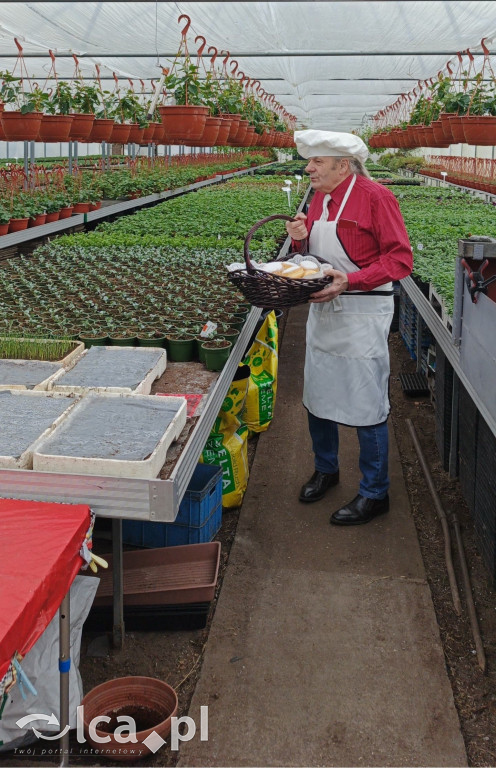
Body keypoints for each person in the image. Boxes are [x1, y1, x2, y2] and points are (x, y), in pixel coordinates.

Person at [285, 129, 413, 525]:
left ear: (343, 165)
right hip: (325, 308)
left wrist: (350, 281)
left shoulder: (377, 197)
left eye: (316, 162)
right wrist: (298, 245)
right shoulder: (320, 198)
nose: (308, 168)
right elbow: (317, 258)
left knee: (365, 400)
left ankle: (375, 493)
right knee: (318, 392)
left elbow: (400, 260)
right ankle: (327, 469)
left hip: (361, 312)